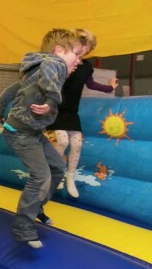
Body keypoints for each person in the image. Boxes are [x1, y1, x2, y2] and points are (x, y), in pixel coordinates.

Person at [0, 28, 82, 249]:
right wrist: (51, 101)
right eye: (77, 54)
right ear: (58, 50)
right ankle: (23, 226)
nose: (78, 61)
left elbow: (10, 91)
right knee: (40, 176)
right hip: (20, 133)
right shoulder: (54, 64)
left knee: (58, 167)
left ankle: (37, 206)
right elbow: (52, 78)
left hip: (31, 133)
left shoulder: (36, 71)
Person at [45, 29, 118, 198]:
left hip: (71, 111)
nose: (84, 51)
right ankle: (54, 174)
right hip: (57, 109)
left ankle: (70, 177)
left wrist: (109, 87)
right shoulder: (62, 62)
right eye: (82, 46)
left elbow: (91, 84)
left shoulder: (85, 66)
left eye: (88, 48)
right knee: (62, 141)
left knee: (77, 144)